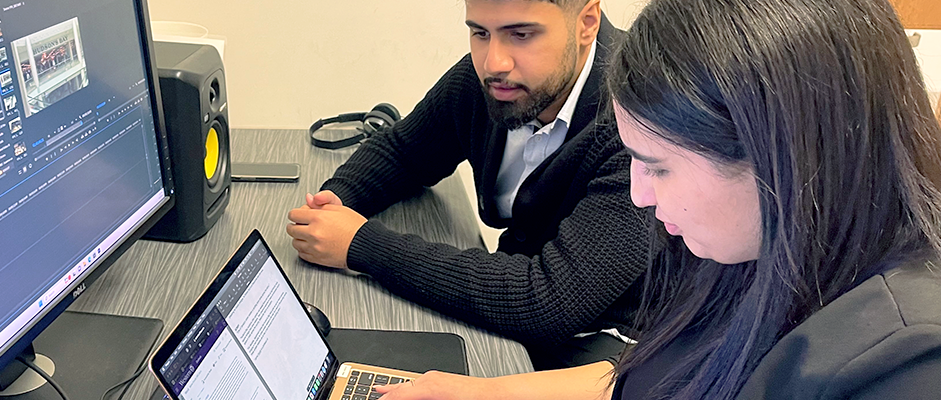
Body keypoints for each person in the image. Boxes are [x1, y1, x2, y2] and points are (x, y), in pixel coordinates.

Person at [367, 0, 941, 398]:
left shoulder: (906, 365)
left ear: (786, 159)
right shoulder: (748, 261)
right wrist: (475, 393)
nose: (640, 195)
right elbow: (647, 380)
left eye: (657, 167)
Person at [286, 0, 649, 370]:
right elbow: (406, 150)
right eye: (479, 32)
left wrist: (360, 244)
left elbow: (545, 302)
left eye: (520, 34)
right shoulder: (496, 82)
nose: (494, 62)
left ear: (587, 22)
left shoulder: (644, 122)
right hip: (524, 315)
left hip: (616, 348)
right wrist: (336, 200)